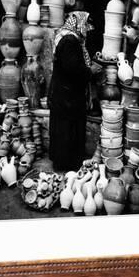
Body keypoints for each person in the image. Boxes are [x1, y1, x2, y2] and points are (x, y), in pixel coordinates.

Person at [48, 11, 102, 171]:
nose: (86, 28)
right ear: (78, 24)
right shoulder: (70, 41)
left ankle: (64, 161)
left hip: (65, 94)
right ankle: (67, 163)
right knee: (67, 129)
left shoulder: (68, 38)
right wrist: (91, 71)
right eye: (85, 24)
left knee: (64, 129)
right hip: (67, 97)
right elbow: (73, 69)